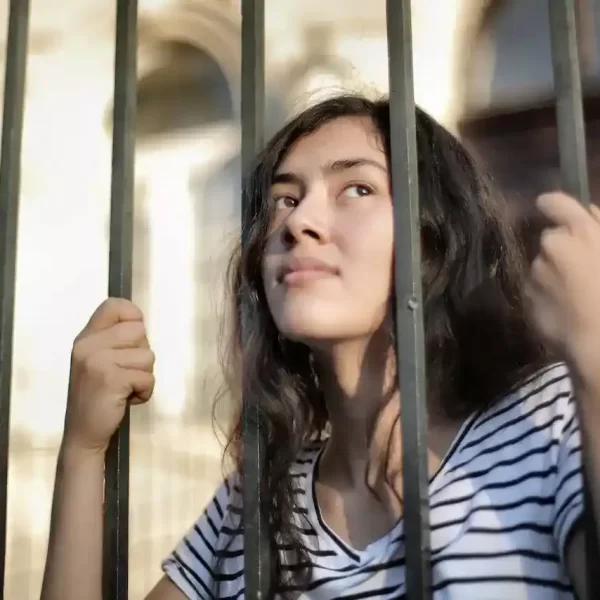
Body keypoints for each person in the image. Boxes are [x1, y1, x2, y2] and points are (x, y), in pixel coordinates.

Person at [40, 95, 600, 600]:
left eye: (357, 188)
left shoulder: (546, 421)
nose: (299, 221)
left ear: (438, 236)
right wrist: (83, 454)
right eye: (284, 199)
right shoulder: (253, 504)